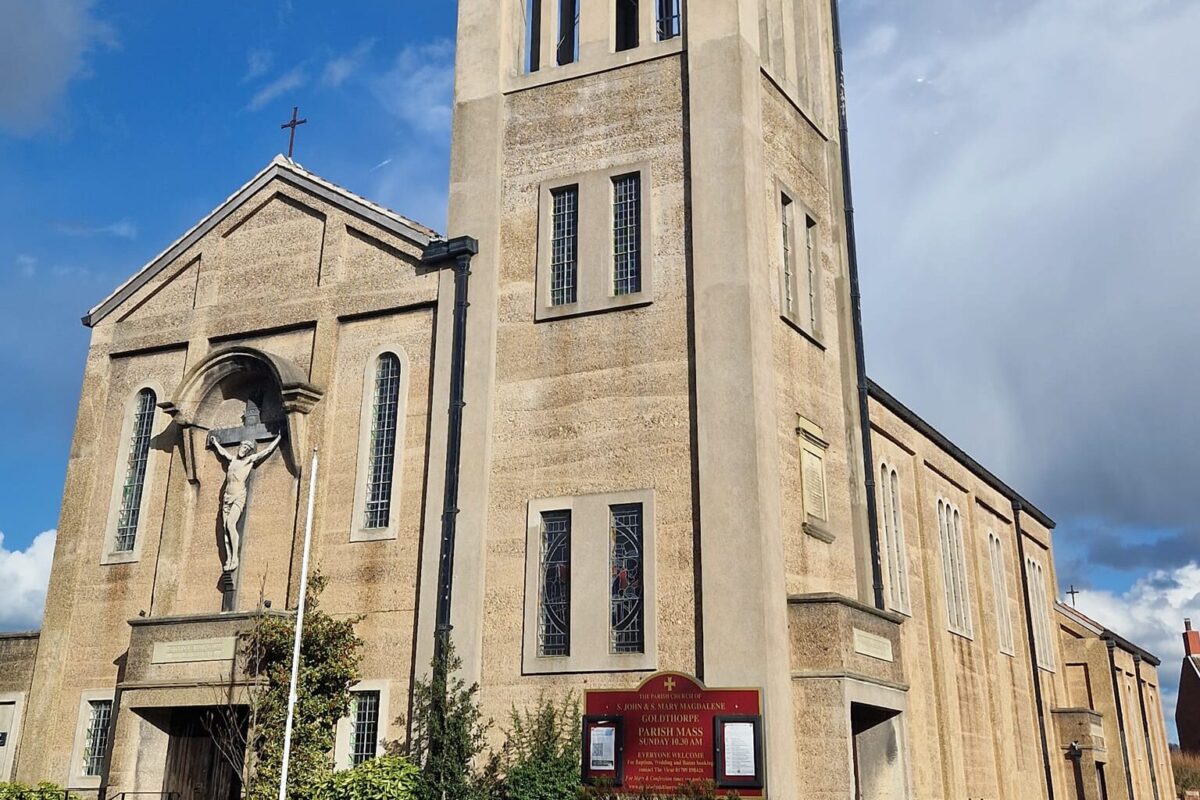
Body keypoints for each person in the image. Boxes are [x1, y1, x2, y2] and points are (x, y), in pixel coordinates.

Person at [208, 433, 281, 572]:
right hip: (227, 497)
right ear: (240, 447)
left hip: (238, 496)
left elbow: (267, 451)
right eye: (243, 446)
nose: (244, 449)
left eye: (247, 448)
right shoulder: (233, 460)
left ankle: (235, 557)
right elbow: (223, 453)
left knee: (230, 524)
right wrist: (215, 443)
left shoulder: (249, 461)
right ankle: (229, 557)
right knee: (224, 528)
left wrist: (278, 438)